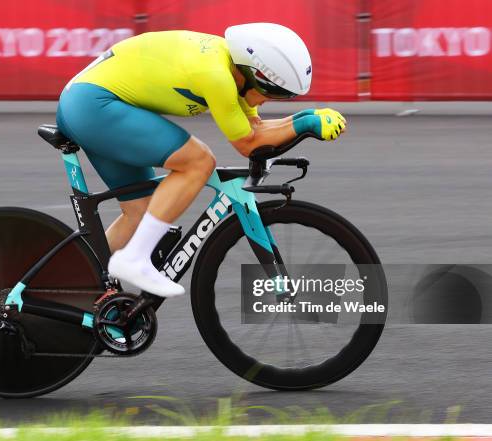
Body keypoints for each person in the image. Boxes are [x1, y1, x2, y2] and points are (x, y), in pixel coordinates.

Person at [56, 22, 346, 298]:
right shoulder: (216, 76)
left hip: (90, 103)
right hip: (93, 105)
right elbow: (248, 145)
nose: (269, 101)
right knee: (198, 161)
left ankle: (66, 286)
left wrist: (306, 117)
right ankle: (134, 259)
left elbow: (255, 132)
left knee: (142, 211)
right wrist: (306, 123)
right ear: (256, 75)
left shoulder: (233, 69)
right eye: (272, 94)